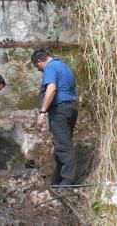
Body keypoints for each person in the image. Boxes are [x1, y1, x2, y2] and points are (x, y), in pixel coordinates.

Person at [31, 49, 78, 185]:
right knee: (62, 144)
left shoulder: (50, 68)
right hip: (71, 108)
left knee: (63, 147)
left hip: (60, 111)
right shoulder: (64, 67)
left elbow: (51, 89)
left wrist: (42, 111)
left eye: (37, 67)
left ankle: (67, 182)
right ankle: (57, 180)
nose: (39, 70)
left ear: (39, 62)